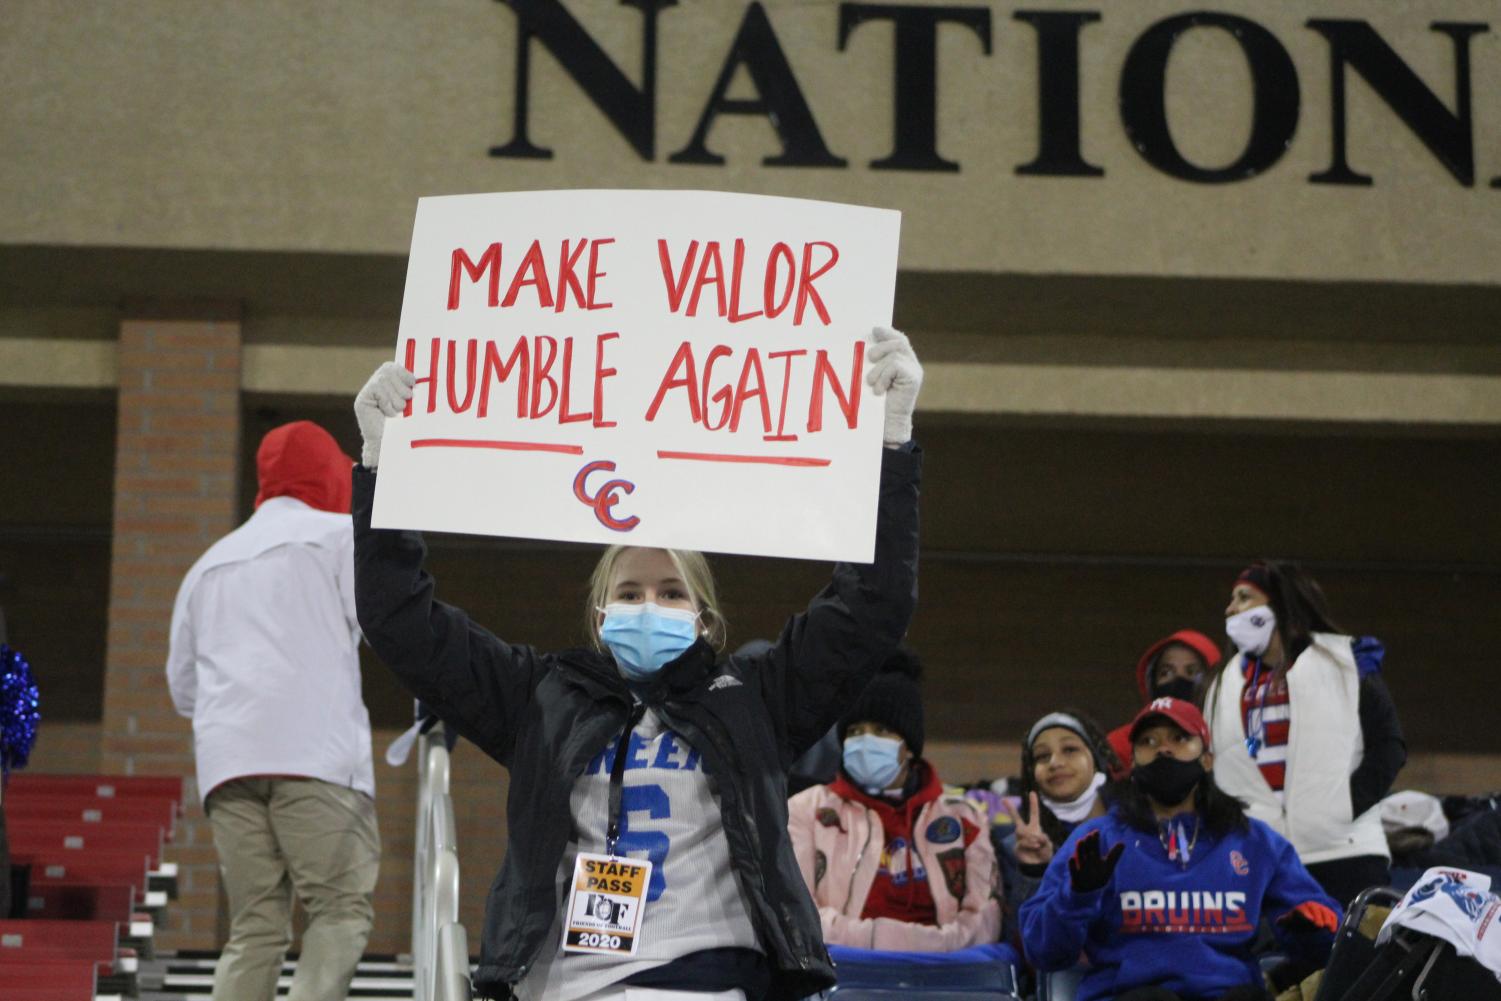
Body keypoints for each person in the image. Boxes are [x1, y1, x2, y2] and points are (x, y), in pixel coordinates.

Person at [350, 325, 924, 1001]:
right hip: (564, 985)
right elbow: (401, 620)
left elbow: (873, 605)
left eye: (670, 591)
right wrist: (381, 464)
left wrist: (890, 442)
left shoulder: (756, 698)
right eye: (628, 592)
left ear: (703, 618)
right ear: (599, 616)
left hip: (711, 981)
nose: (648, 603)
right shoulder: (541, 696)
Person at [166, 421, 380, 1001]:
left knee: (255, 927)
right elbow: (381, 624)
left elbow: (181, 687)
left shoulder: (207, 564)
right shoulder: (339, 535)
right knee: (337, 910)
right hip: (316, 757)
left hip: (229, 763)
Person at [1021, 698, 1341, 1001]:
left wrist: (1312, 930)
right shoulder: (1095, 841)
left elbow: (1326, 941)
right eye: (1148, 742)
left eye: (1179, 738)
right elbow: (1042, 952)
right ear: (1132, 762)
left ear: (1206, 758)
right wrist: (1076, 899)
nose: (1163, 749)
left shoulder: (1254, 841)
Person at [1205, 561, 1405, 907]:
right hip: (1259, 860)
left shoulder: (1348, 662)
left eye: (1244, 597)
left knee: (1352, 960)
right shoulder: (1219, 684)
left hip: (1346, 851)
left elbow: (1389, 746)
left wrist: (1342, 807)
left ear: (1279, 604)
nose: (1230, 608)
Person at [787, 649, 1000, 951]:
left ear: (909, 746)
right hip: (845, 977)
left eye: (882, 730)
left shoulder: (965, 818)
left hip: (947, 978)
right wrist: (919, 944)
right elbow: (797, 915)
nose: (865, 741)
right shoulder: (805, 810)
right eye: (855, 731)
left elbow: (985, 922)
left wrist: (898, 946)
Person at [1008, 711, 1120, 907]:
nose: (1055, 763)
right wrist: (1034, 871)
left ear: (1096, 758)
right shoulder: (1017, 845)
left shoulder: (1137, 825)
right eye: (1042, 756)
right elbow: (1024, 933)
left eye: (1069, 749)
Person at [1106, 630, 1222, 774]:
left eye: (1192, 672)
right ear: (1151, 682)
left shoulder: (1232, 737)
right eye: (1166, 672)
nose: (1179, 681)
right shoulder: (1121, 743)